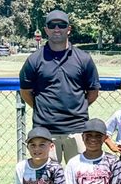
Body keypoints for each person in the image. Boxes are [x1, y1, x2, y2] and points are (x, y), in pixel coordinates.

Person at [19, 9, 100, 163]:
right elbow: (25, 92)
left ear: (69, 29)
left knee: (80, 180)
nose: (57, 29)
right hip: (45, 130)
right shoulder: (34, 60)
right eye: (52, 25)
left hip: (77, 129)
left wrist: (78, 107)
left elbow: (93, 92)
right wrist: (43, 109)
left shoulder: (83, 59)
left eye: (62, 25)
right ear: (46, 30)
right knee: (47, 181)